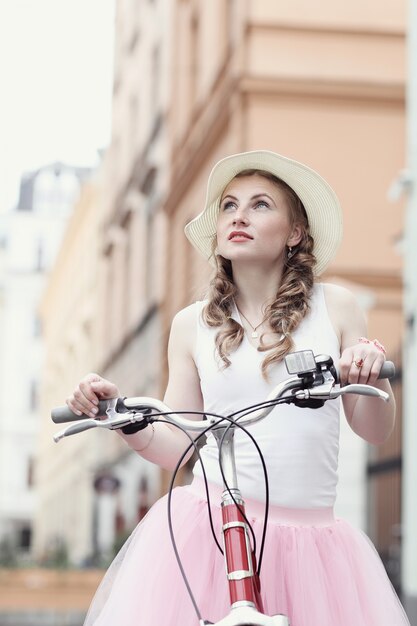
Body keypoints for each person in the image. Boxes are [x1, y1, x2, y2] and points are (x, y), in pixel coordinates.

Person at [67, 150, 410, 626]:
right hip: (210, 531)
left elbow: (374, 431)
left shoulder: (337, 307)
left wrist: (367, 376)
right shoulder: (192, 325)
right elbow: (179, 443)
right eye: (228, 205)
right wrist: (124, 418)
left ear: (295, 233)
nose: (239, 216)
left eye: (260, 204)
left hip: (312, 548)